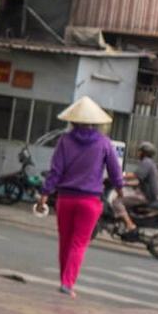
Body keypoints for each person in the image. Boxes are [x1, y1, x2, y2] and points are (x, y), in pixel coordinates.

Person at [40, 97, 124, 297]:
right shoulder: (104, 142)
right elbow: (114, 170)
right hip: (90, 201)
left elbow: (55, 171)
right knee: (78, 243)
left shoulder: (65, 141)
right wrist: (120, 189)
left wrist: (45, 193)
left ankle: (64, 280)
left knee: (65, 241)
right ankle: (68, 284)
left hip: (66, 199)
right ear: (95, 122)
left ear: (73, 120)